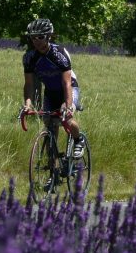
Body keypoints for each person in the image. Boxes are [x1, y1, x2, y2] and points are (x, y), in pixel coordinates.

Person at [22, 18, 87, 183]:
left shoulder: (59, 54)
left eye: (40, 37)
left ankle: (79, 139)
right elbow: (29, 84)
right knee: (50, 130)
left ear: (49, 36)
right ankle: (54, 173)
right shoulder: (29, 58)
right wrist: (27, 104)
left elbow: (66, 82)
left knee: (67, 118)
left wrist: (67, 104)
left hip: (69, 88)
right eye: (33, 38)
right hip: (50, 92)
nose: (36, 41)